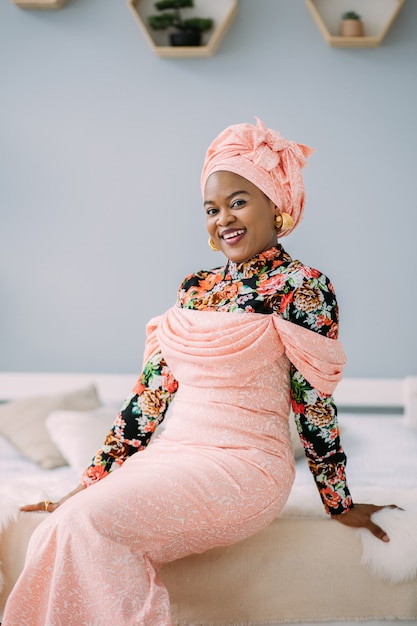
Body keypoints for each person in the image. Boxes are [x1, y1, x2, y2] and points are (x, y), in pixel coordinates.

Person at [3, 118, 395, 626]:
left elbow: (313, 403)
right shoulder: (193, 288)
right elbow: (148, 400)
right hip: (174, 455)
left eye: (239, 201)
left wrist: (338, 503)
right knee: (65, 524)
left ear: (277, 206)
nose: (223, 218)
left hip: (247, 467)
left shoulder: (304, 287)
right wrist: (87, 484)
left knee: (87, 525)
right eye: (211, 208)